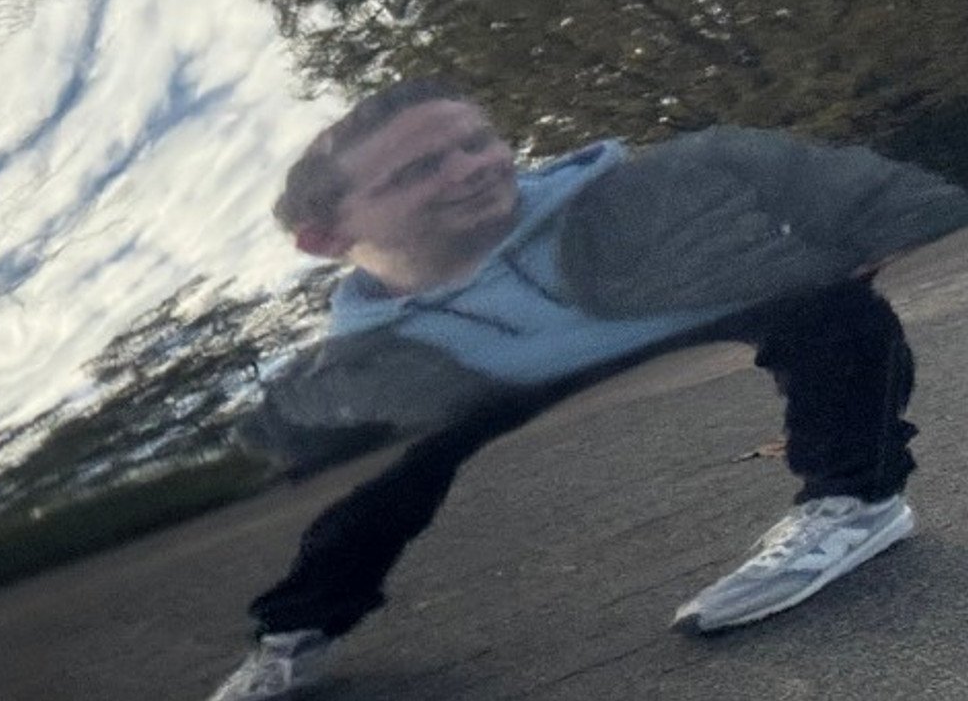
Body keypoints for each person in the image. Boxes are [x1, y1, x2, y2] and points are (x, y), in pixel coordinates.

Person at [206, 79, 968, 700]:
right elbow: (278, 447)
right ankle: (297, 631)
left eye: (477, 142)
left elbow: (849, 188)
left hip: (678, 311)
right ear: (326, 238)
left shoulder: (648, 189)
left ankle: (856, 503)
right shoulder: (364, 356)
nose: (472, 168)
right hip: (493, 382)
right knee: (377, 478)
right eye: (418, 170)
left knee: (829, 311)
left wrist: (892, 228)